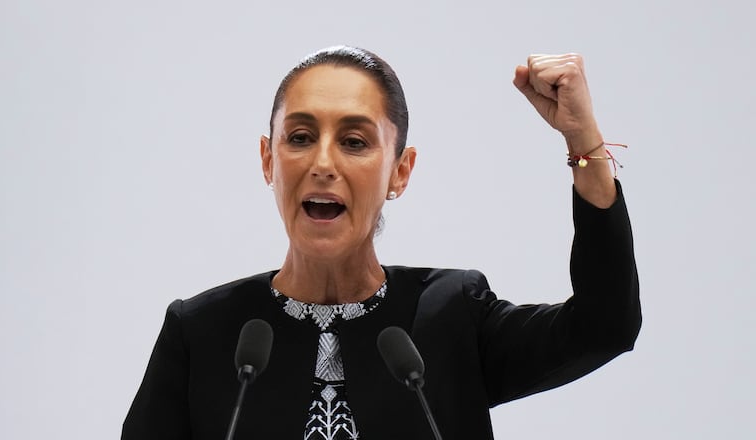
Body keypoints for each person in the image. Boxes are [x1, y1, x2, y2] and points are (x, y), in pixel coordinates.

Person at [122, 46, 641, 439]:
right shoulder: (200, 332)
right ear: (268, 160)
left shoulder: (452, 314)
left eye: (354, 142)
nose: (323, 163)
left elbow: (605, 326)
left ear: (400, 171)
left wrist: (583, 143)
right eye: (300, 137)